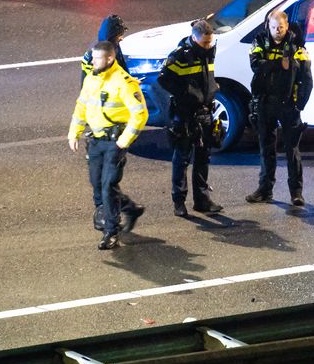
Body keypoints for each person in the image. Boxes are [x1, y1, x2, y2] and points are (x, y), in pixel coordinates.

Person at [69, 41, 148, 250]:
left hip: (115, 142)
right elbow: (82, 106)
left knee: (107, 186)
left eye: (97, 58)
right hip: (95, 141)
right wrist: (74, 132)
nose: (93, 62)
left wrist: (124, 140)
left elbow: (140, 113)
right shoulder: (92, 78)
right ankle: (130, 208)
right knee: (97, 184)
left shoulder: (124, 82)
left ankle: (111, 232)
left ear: (110, 59)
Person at [245, 10, 313, 206]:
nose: (277, 31)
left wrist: (300, 104)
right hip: (265, 103)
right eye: (274, 27)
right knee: (266, 148)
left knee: (292, 150)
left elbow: (307, 79)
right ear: (268, 26)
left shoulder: (297, 47)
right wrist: (279, 64)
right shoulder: (259, 41)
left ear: (286, 27)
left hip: (288, 104)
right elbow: (256, 65)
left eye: (280, 28)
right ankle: (264, 190)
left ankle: (296, 193)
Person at [158, 19, 224, 217]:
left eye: (210, 42)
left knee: (203, 158)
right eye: (204, 43)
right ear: (194, 39)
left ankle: (202, 200)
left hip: (204, 113)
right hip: (185, 115)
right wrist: (187, 94)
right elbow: (163, 79)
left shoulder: (208, 52)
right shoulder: (180, 56)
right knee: (182, 159)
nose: (209, 46)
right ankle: (179, 201)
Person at [80, 14, 128, 83]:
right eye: (120, 35)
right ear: (114, 36)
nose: (122, 37)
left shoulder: (98, 46)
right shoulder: (110, 52)